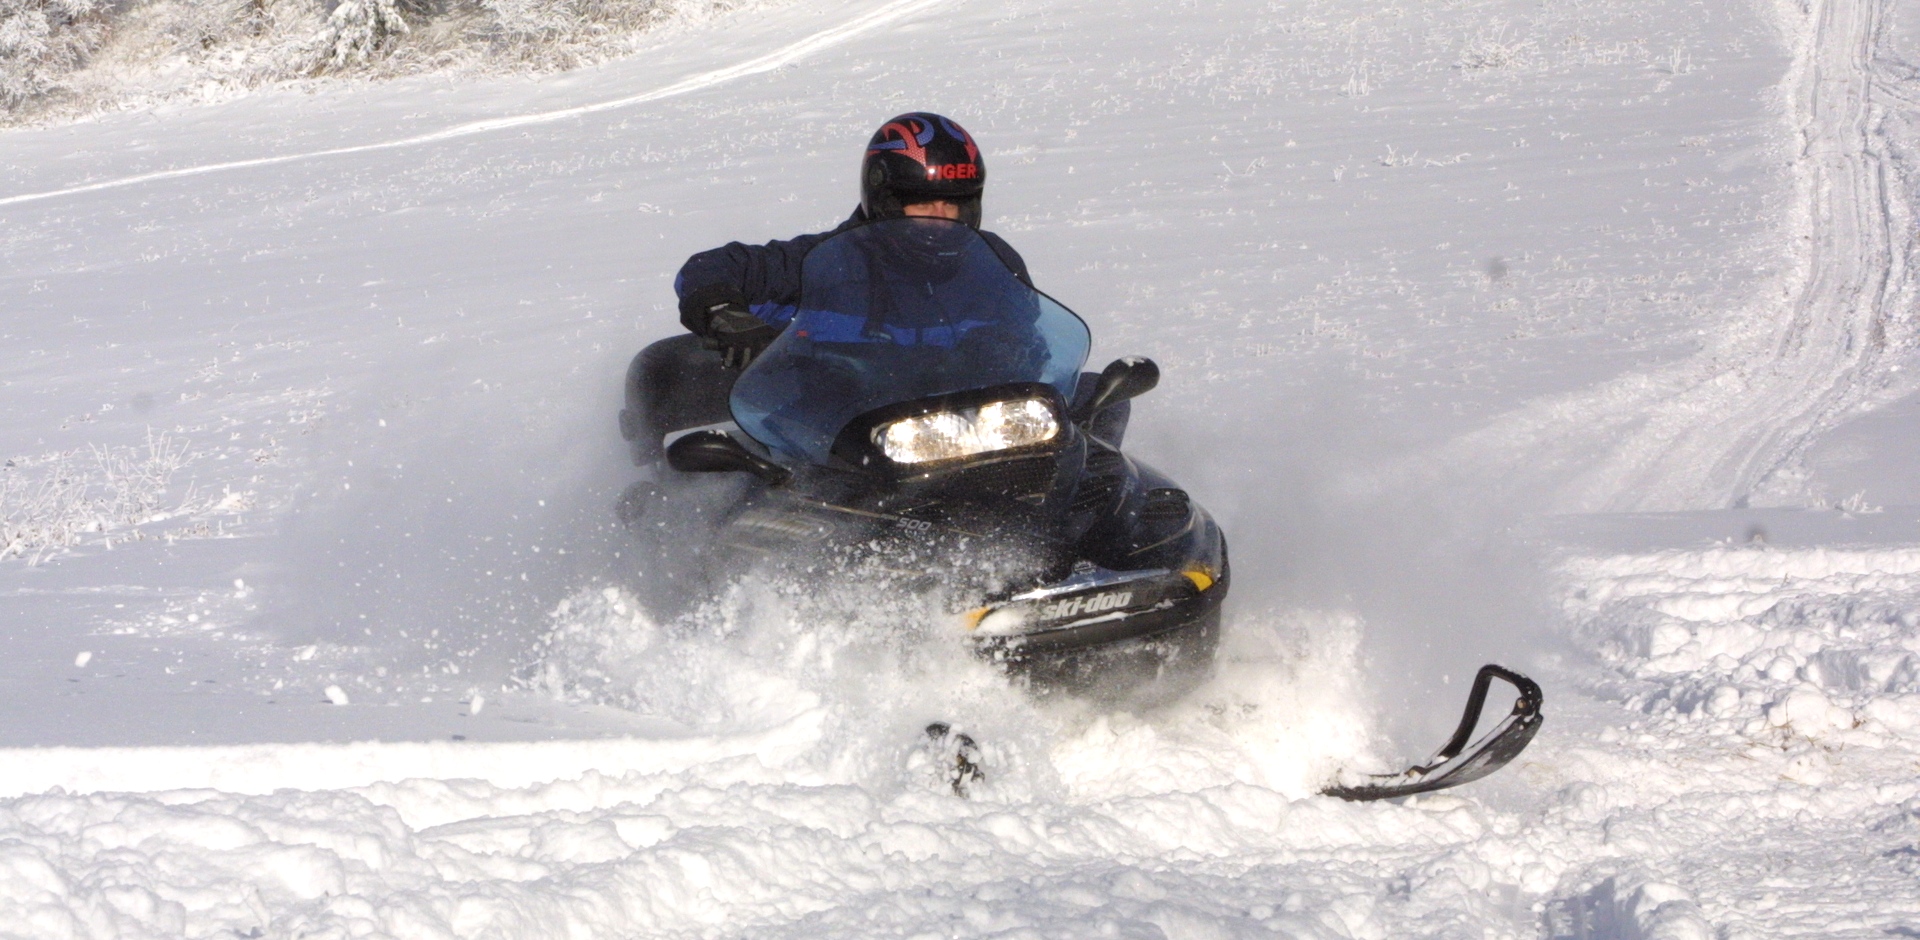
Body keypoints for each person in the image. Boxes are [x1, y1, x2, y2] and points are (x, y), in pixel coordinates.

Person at [622, 112, 1034, 462]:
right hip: (826, 449)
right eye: (921, 202)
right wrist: (724, 314)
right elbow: (712, 267)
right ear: (885, 199)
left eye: (953, 202)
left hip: (964, 445)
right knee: (752, 502)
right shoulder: (826, 264)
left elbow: (1032, 343)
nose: (940, 217)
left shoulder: (991, 264)